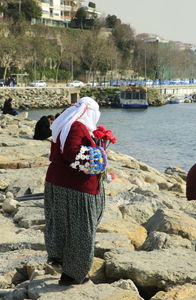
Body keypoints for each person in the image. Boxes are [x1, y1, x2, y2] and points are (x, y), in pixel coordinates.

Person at [44, 97, 106, 286]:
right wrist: (99, 158)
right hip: (76, 189)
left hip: (59, 182)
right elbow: (72, 153)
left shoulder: (65, 124)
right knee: (81, 231)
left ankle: (64, 263)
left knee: (64, 226)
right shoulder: (77, 126)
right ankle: (73, 275)